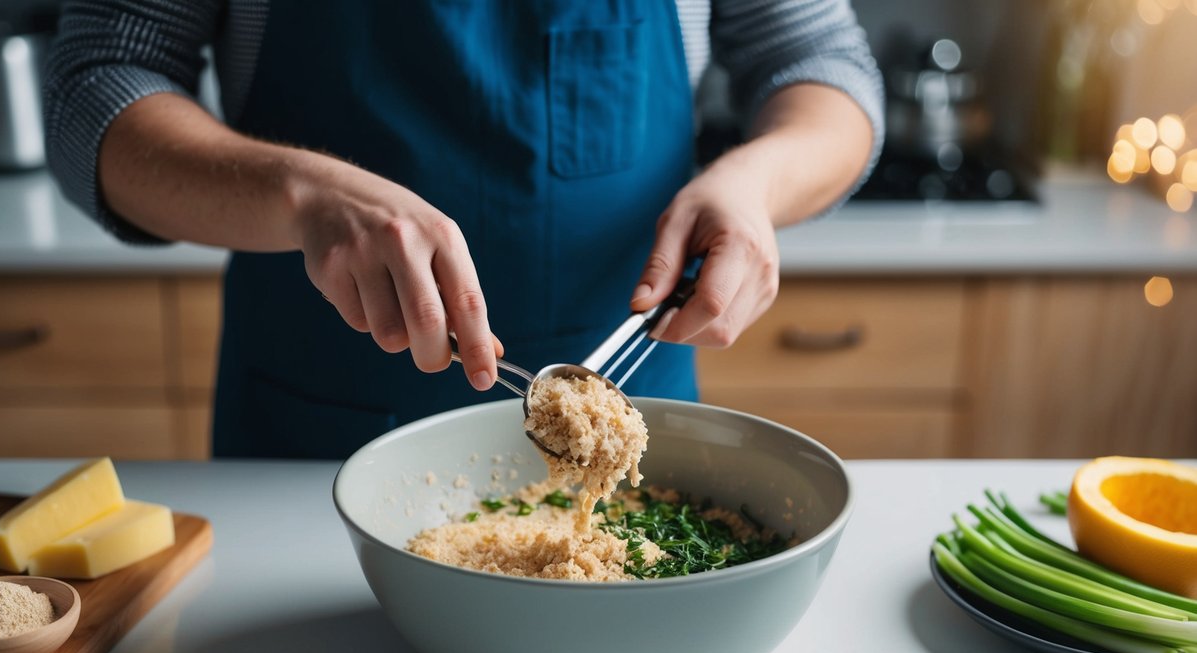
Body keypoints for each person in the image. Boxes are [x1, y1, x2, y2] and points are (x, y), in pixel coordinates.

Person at [44, 1, 883, 459]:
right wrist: (299, 191)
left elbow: (823, 62)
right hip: (313, 439)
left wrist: (754, 180)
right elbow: (95, 87)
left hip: (633, 407)